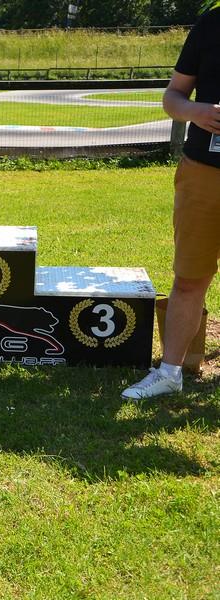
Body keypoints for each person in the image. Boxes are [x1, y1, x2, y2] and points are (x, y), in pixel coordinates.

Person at [122, 7, 219, 400]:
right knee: (190, 277)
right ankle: (170, 371)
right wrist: (197, 111)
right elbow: (173, 96)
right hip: (203, 172)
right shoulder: (212, 23)